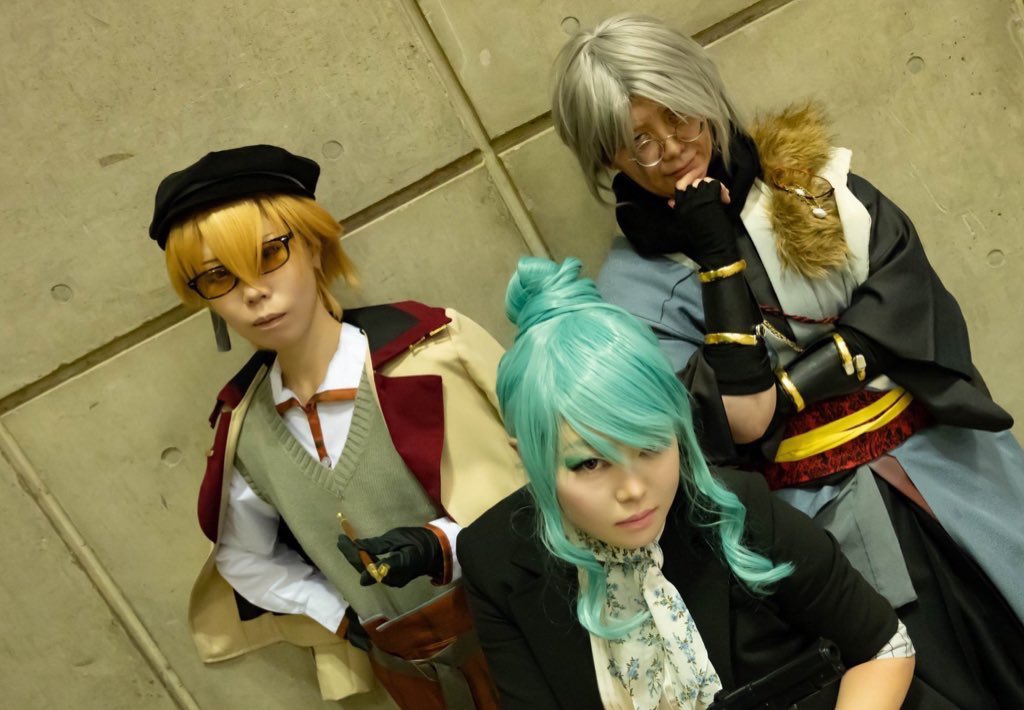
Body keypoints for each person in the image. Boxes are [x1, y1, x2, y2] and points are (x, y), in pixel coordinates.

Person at [549, 13, 1024, 707]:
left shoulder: (807, 185)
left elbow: (906, 293)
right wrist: (717, 260)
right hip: (820, 518)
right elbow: (724, 425)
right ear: (607, 160)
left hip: (946, 464)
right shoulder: (630, 296)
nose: (673, 148)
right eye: (639, 141)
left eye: (679, 115)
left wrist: (789, 393)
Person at [148, 144, 524, 708]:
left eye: (268, 254)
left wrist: (442, 544)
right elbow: (243, 558)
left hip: (533, 627)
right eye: (217, 276)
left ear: (313, 246)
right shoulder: (245, 432)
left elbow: (555, 470)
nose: (253, 291)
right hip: (416, 679)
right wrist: (344, 618)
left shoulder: (438, 351)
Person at [459, 257, 917, 709]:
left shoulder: (737, 508)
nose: (633, 489)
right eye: (590, 464)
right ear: (528, 458)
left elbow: (884, 645)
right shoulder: (495, 559)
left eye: (650, 446)